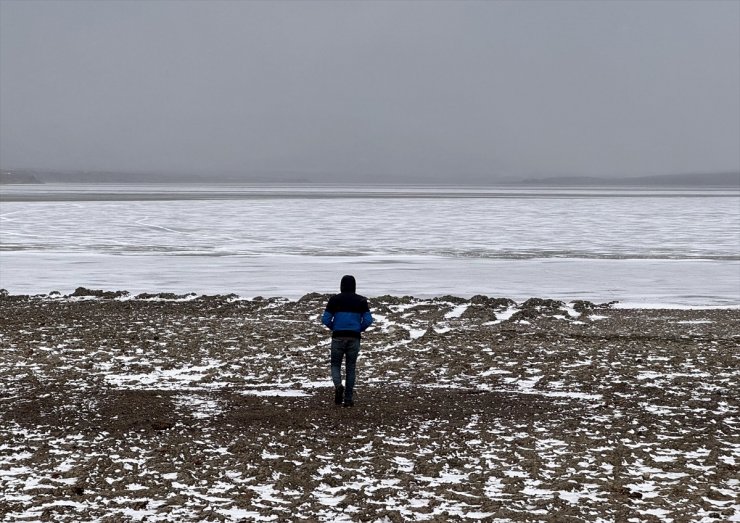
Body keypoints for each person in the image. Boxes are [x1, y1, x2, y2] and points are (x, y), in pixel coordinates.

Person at [321, 275, 373, 407]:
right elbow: (368, 320)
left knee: (335, 365)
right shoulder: (361, 300)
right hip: (354, 338)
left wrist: (335, 328)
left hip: (338, 337)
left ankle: (338, 385)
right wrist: (358, 329)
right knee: (351, 368)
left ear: (341, 285)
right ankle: (348, 399)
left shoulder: (334, 300)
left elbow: (325, 319)